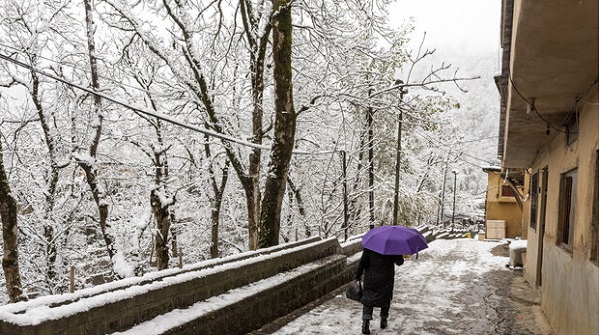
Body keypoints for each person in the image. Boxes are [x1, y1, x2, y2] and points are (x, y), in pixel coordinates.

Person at [355, 247, 404, 334]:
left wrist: (358, 275)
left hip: (371, 277)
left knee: (368, 299)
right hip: (386, 278)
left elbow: (363, 262)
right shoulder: (392, 246)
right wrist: (399, 252)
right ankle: (383, 320)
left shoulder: (371, 246)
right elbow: (399, 262)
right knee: (385, 298)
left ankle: (366, 322)